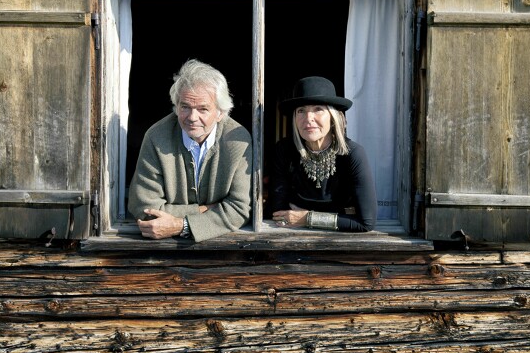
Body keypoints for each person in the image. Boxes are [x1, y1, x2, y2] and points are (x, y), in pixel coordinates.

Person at [128, 59, 252, 242]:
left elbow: (241, 209)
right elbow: (144, 207)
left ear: (220, 112)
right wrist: (203, 210)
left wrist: (181, 225)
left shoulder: (238, 140)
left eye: (203, 109)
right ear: (176, 106)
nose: (192, 117)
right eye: (185, 107)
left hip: (223, 248)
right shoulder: (156, 137)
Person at [270, 76, 377, 232]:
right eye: (301, 111)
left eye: (318, 109)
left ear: (333, 117)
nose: (308, 118)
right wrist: (342, 215)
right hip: (290, 236)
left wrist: (307, 218)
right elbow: (278, 213)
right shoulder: (284, 151)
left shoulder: (353, 154)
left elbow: (366, 222)